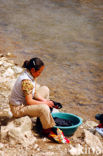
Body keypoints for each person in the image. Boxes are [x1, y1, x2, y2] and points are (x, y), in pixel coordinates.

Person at [9, 57, 70, 144]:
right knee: (44, 108)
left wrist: (47, 101)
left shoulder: (31, 74)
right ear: (33, 70)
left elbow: (34, 93)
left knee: (45, 89)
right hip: (18, 108)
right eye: (39, 72)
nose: (40, 74)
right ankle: (47, 130)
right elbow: (30, 101)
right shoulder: (26, 81)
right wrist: (45, 103)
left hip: (25, 102)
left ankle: (41, 121)